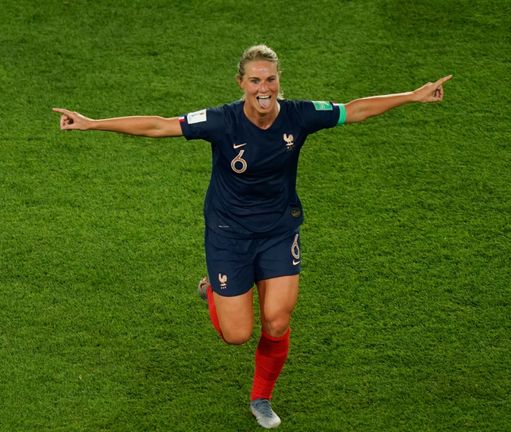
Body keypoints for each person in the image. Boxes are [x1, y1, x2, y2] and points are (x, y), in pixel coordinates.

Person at [53, 44, 451, 429]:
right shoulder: (221, 121)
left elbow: (357, 109)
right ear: (240, 83)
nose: (265, 88)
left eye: (271, 79)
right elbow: (159, 125)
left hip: (279, 229)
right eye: (256, 80)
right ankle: (213, 290)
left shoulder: (299, 116)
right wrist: (92, 123)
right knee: (237, 335)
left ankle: (261, 398)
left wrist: (413, 97)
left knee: (276, 322)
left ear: (279, 81)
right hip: (229, 234)